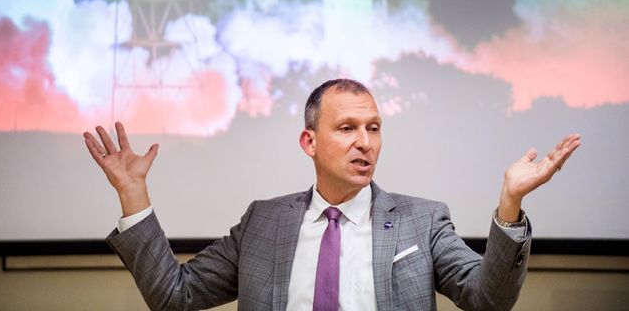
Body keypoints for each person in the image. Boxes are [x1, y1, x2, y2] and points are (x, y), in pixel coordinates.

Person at [83, 79, 581, 311]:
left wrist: (510, 203)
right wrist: (133, 194)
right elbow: (175, 296)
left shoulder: (422, 221)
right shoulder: (263, 223)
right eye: (347, 128)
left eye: (374, 128)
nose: (365, 142)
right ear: (310, 142)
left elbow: (488, 299)